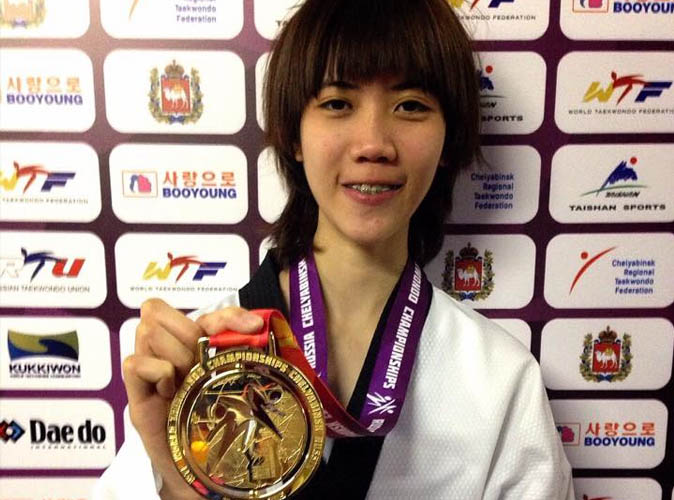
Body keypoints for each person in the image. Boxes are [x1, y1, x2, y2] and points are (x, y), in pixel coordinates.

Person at [94, 0, 574, 498]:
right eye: (338, 103)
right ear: (293, 135)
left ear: (448, 139)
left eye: (411, 105)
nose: (373, 143)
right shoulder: (198, 370)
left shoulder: (500, 377)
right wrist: (176, 480)